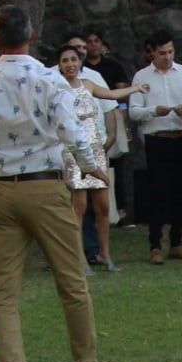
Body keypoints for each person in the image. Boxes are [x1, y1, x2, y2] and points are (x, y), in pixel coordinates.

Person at [0, 4, 120, 362]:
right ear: (31, 34)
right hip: (44, 185)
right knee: (71, 280)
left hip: (0, 188)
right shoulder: (49, 80)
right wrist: (92, 167)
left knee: (4, 290)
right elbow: (72, 131)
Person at [55, 43, 132, 272]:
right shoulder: (58, 90)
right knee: (78, 205)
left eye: (74, 59)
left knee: (103, 206)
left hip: (96, 148)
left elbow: (110, 95)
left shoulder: (88, 84)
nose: (70, 64)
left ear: (80, 62)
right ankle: (78, 258)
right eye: (65, 60)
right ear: (59, 65)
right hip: (73, 150)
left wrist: (135, 88)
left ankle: (104, 253)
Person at [126, 34, 182, 264]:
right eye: (162, 53)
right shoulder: (142, 76)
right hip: (158, 139)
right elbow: (134, 111)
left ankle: (176, 242)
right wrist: (154, 111)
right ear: (152, 53)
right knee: (158, 192)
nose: (167, 57)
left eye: (170, 52)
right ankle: (154, 245)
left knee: (181, 191)